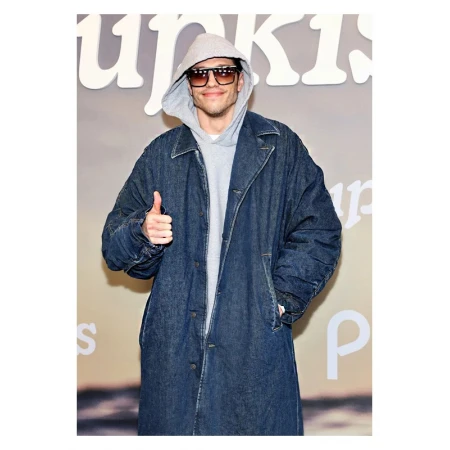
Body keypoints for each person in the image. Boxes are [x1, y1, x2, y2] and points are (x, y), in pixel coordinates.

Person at [101, 32, 342, 436]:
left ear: (240, 80)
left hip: (254, 345)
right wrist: (142, 232)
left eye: (223, 72)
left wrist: (278, 300)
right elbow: (113, 247)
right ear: (187, 85)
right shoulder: (160, 155)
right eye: (200, 74)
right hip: (175, 350)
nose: (212, 82)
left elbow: (320, 229)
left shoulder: (279, 147)